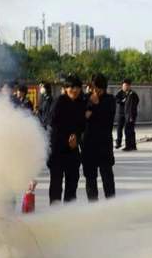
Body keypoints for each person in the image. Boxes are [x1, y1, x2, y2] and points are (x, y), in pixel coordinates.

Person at [47, 75, 86, 204]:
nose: (74, 90)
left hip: (73, 151)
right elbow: (51, 125)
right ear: (65, 88)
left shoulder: (81, 103)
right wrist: (66, 140)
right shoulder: (59, 102)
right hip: (57, 150)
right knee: (56, 185)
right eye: (71, 87)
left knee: (72, 183)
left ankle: (69, 213)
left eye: (77, 88)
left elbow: (82, 125)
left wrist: (77, 137)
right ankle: (55, 214)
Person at [82, 74, 117, 201]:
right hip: (88, 144)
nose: (96, 92)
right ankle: (93, 207)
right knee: (90, 178)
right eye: (94, 88)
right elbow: (83, 117)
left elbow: (107, 120)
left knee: (107, 177)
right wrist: (92, 104)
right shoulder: (85, 99)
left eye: (99, 89)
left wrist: (95, 107)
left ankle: (111, 204)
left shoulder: (110, 100)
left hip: (104, 145)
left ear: (104, 88)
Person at [119, 79, 139, 151]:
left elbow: (132, 106)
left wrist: (130, 116)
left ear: (128, 86)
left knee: (127, 130)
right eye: (123, 86)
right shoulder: (127, 94)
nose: (123, 87)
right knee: (131, 131)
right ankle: (133, 145)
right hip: (128, 115)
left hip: (130, 115)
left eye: (124, 86)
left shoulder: (132, 94)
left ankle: (128, 146)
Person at [114, 83, 128, 149]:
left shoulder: (130, 93)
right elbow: (116, 99)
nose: (125, 87)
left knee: (127, 129)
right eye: (124, 86)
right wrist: (122, 101)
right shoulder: (120, 92)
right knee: (119, 128)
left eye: (126, 86)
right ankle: (118, 143)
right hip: (121, 113)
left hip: (127, 113)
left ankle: (128, 144)